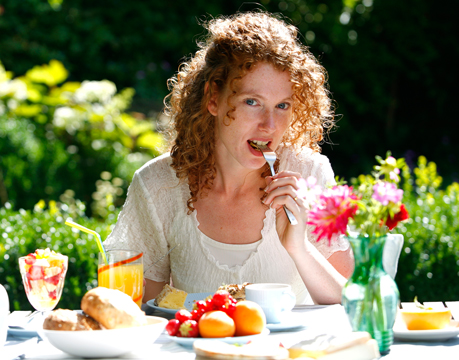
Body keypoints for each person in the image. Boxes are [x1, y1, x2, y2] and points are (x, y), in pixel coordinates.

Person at [103, 11, 354, 305]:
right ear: (213, 98)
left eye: (282, 105)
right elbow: (137, 312)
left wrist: (299, 248)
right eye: (252, 102)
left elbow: (353, 305)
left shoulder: (310, 175)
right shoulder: (159, 186)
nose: (270, 125)